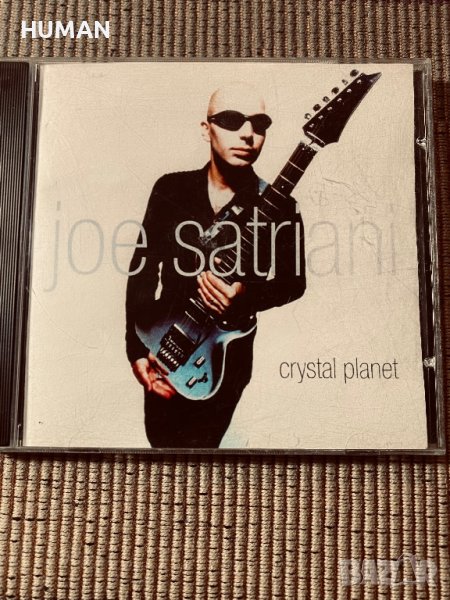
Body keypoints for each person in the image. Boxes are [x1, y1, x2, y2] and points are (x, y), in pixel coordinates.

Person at [126, 82, 306, 448]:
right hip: (162, 344)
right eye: (231, 120)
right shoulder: (169, 189)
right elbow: (142, 271)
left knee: (202, 453)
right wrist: (136, 350)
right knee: (160, 447)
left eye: (259, 124)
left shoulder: (281, 206)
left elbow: (294, 283)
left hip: (224, 359)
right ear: (206, 129)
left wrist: (246, 296)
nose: (247, 134)